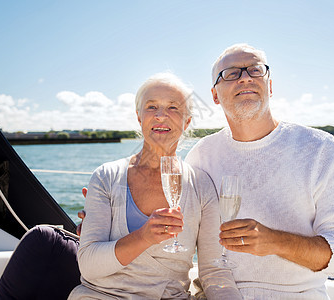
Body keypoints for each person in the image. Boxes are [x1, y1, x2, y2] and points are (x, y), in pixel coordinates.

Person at [184, 43, 334, 299]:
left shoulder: (319, 149)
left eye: (255, 70)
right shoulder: (200, 156)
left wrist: (275, 242)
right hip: (219, 293)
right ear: (215, 95)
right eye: (232, 73)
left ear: (269, 86)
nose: (245, 77)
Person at [68, 73, 241, 299]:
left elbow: (214, 270)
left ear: (186, 121)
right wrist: (144, 237)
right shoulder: (106, 176)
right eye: (152, 107)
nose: (161, 116)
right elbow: (89, 266)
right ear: (139, 117)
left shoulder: (201, 185)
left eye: (173, 108)